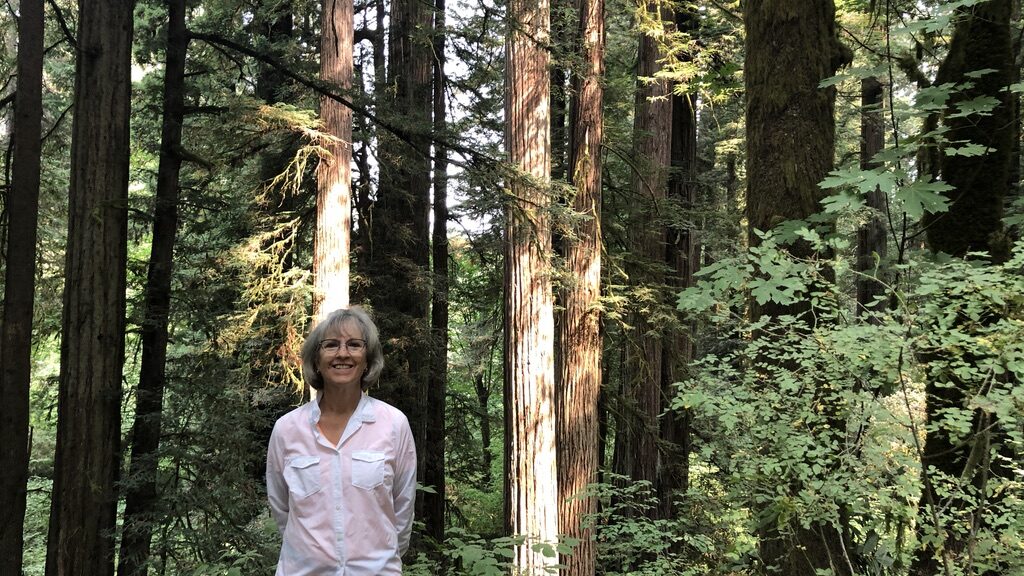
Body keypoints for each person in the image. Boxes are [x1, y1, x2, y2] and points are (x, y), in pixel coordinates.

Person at [266, 306, 417, 575]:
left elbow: (403, 509)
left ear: (367, 360)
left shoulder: (393, 424)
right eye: (331, 345)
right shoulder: (287, 429)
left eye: (354, 345)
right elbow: (281, 509)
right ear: (316, 360)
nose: (343, 353)